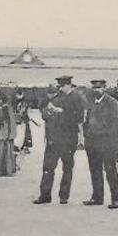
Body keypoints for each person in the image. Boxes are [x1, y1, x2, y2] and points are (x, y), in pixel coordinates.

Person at [33, 75, 84, 205]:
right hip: (53, 139)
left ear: (69, 85)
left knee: (67, 168)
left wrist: (61, 112)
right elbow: (45, 114)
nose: (60, 89)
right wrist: (48, 111)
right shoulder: (56, 97)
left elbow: (79, 118)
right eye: (59, 86)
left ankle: (64, 196)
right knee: (47, 168)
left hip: (68, 140)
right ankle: (45, 195)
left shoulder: (77, 98)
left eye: (62, 86)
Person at [83, 80, 118, 209]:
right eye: (94, 88)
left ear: (105, 88)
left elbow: (116, 123)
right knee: (95, 170)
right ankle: (97, 197)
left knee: (110, 170)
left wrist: (109, 139)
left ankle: (116, 199)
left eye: (99, 88)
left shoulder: (112, 103)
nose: (96, 90)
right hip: (92, 143)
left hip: (107, 143)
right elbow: (87, 121)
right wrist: (87, 136)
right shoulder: (91, 103)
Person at [13, 89, 33, 154]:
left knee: (25, 133)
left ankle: (25, 146)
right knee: (19, 133)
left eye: (20, 94)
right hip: (18, 119)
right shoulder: (15, 102)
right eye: (17, 94)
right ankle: (18, 146)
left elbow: (23, 110)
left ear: (22, 94)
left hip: (23, 119)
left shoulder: (24, 102)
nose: (18, 96)